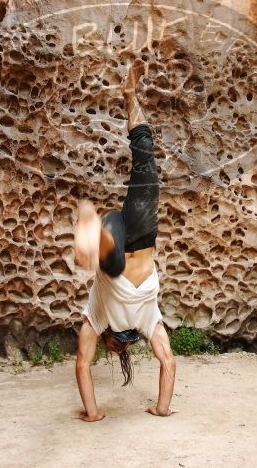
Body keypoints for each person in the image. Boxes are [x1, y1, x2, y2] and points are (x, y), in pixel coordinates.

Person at [72, 61, 177, 422]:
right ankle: (130, 95)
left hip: (123, 245)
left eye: (116, 344)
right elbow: (167, 360)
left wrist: (94, 414)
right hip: (139, 232)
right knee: (144, 155)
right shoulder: (140, 321)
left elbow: (85, 364)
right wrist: (160, 409)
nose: (120, 342)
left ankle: (90, 238)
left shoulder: (106, 318)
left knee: (110, 262)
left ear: (111, 341)